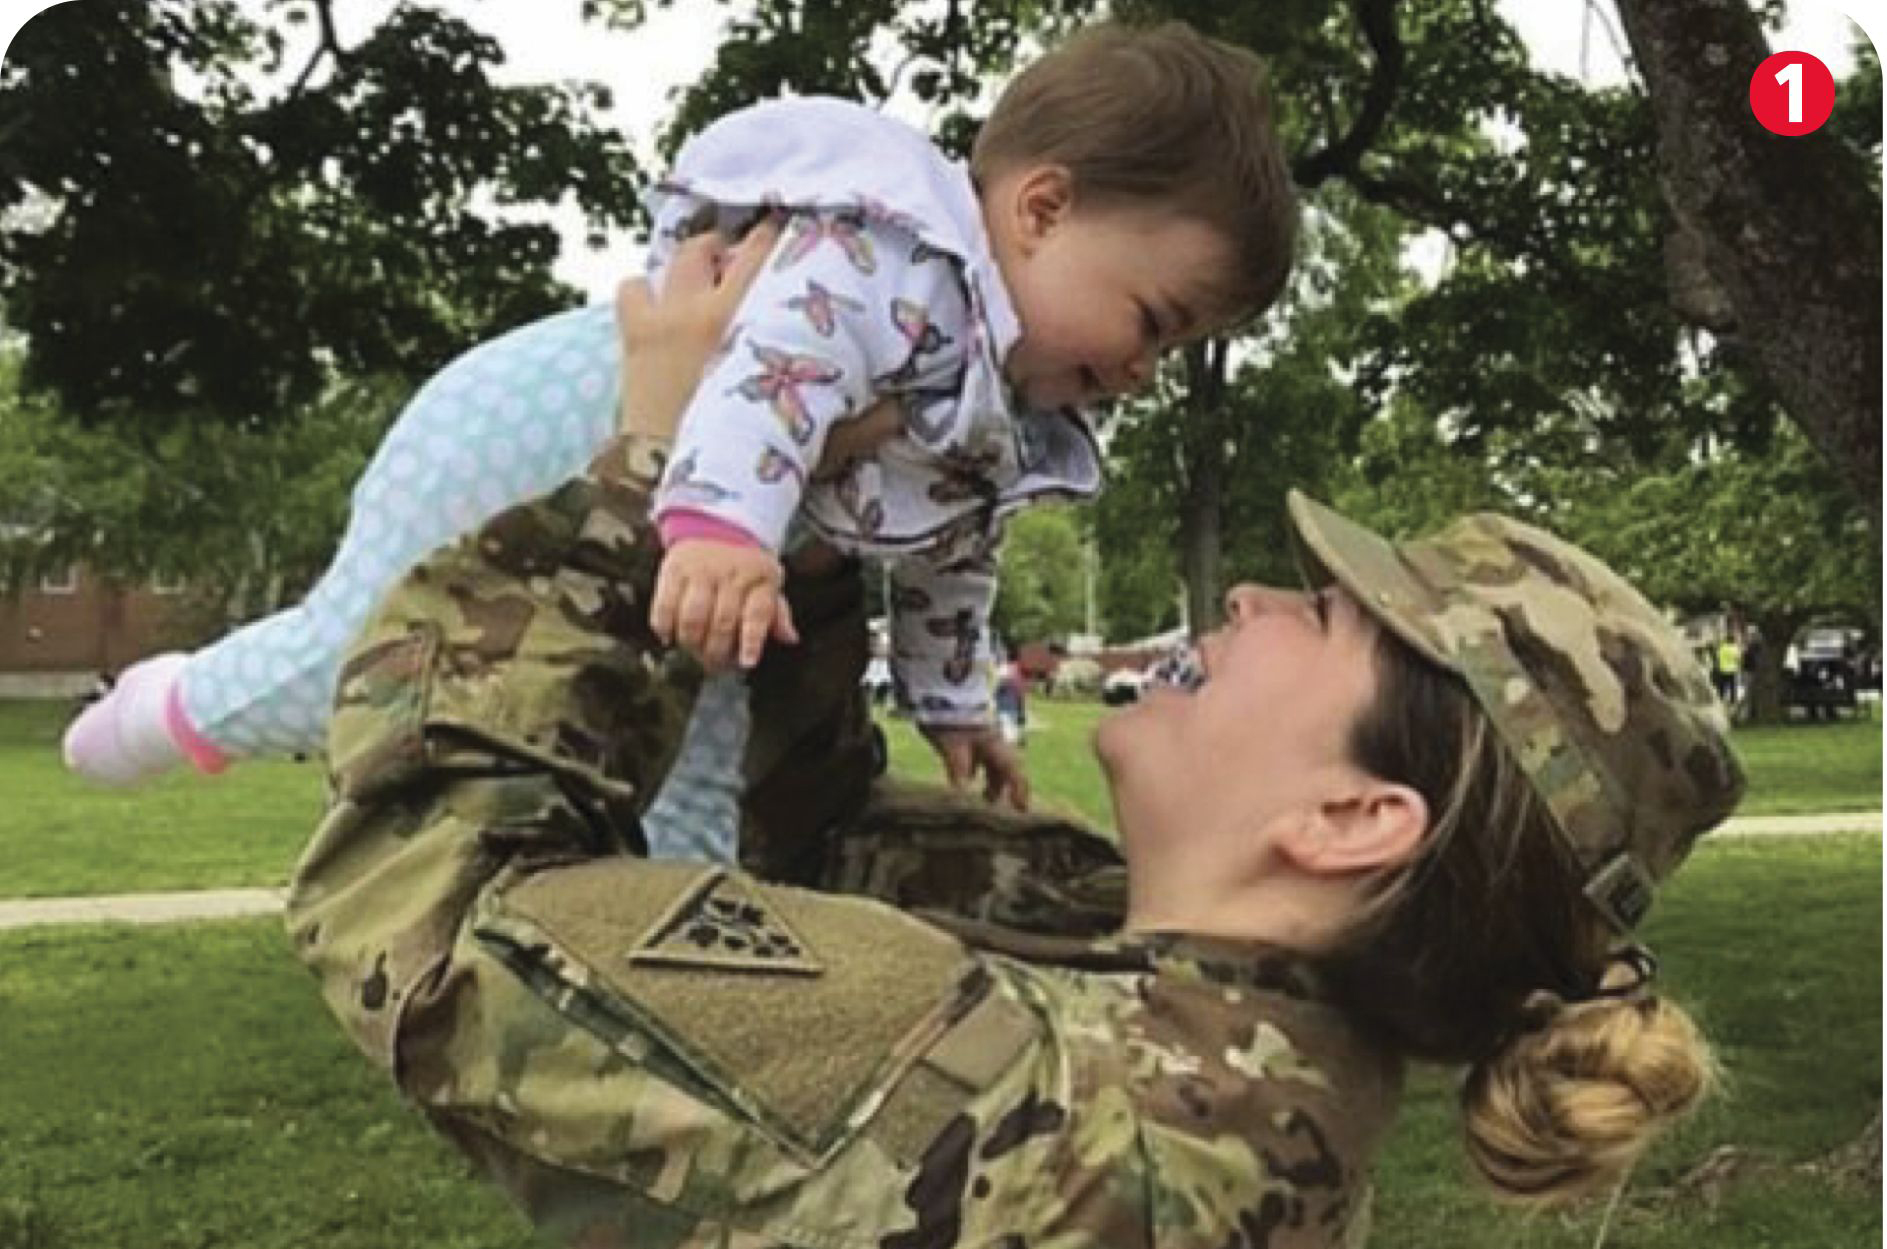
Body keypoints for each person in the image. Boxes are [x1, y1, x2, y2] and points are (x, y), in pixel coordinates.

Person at [282, 235, 1747, 1249]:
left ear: (1354, 821)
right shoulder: (1246, 1017)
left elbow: (424, 909)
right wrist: (794, 504)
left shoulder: (1010, 1100)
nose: (1245, 597)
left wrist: (656, 472)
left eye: (1321, 616)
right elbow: (812, 847)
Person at [62, 20, 1297, 853]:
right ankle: (173, 707)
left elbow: (948, 559)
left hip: (701, 542)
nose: (1142, 369)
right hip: (555, 428)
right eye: (1154, 318)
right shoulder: (893, 262)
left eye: (1172, 351)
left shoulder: (1007, 400)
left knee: (691, 779)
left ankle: (691, 959)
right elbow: (768, 380)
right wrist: (717, 528)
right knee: (359, 659)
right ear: (1042, 208)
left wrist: (953, 698)